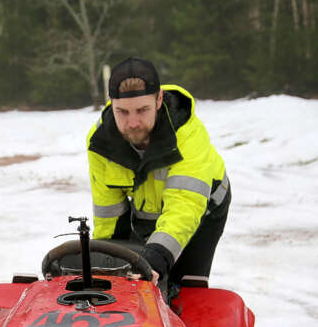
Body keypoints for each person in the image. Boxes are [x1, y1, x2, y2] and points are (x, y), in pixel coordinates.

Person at [87, 57, 230, 290]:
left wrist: (158, 255)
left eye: (142, 110)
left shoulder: (188, 135)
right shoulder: (100, 143)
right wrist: (107, 261)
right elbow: (109, 214)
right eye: (122, 112)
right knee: (131, 279)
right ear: (111, 104)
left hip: (203, 207)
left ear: (159, 99)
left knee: (181, 282)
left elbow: (185, 205)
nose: (133, 123)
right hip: (147, 209)